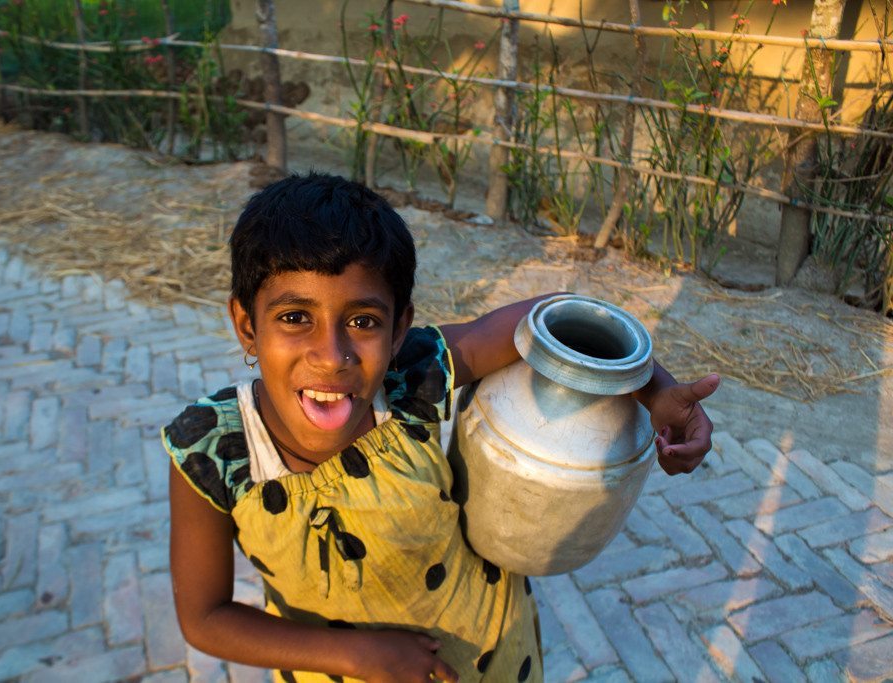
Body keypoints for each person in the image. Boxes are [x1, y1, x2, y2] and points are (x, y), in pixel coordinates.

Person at [163, 173, 719, 683]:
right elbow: (205, 617)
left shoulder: (410, 378)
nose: (331, 356)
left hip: (492, 653)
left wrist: (655, 391)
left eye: (363, 321)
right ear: (246, 325)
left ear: (400, 327)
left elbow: (554, 321)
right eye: (294, 318)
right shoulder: (211, 451)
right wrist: (360, 656)